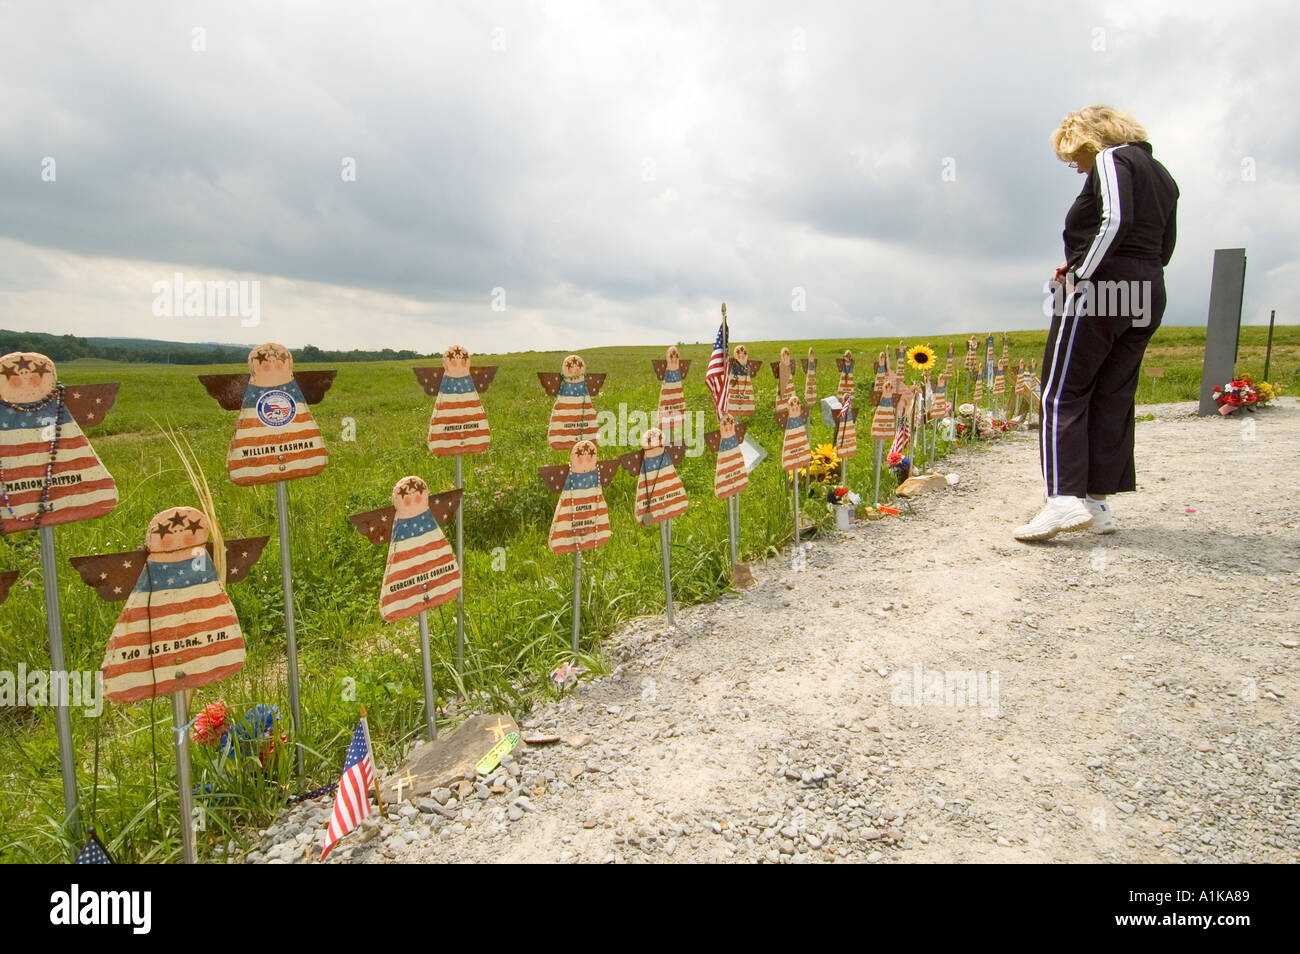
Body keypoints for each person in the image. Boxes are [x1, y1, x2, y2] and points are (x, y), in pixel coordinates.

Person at [1014, 105, 1179, 541]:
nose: (1075, 167)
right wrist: (1131, 274)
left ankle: (1062, 500)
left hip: (1098, 289)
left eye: (1073, 156)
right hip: (1148, 287)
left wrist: (1080, 273)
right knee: (1113, 394)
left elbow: (1114, 219)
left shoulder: (1112, 159)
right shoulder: (1162, 174)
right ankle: (1096, 503)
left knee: (1060, 391)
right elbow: (1165, 243)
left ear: (1089, 139)